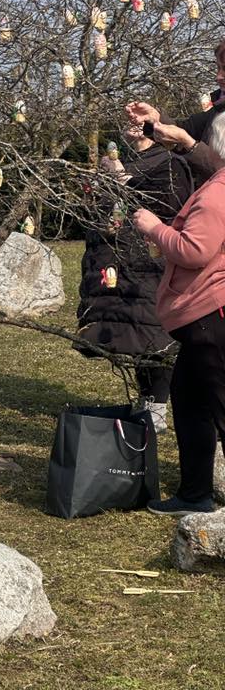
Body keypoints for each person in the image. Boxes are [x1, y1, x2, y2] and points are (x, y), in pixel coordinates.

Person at [133, 109, 225, 516]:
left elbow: (195, 250)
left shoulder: (217, 192)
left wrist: (155, 227)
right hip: (203, 318)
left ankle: (197, 495)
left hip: (211, 314)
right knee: (190, 402)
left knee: (218, 405)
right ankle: (194, 494)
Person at [77, 126, 192, 431]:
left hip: (149, 261)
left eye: (141, 121)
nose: (131, 124)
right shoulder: (125, 161)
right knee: (134, 335)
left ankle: (157, 406)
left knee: (154, 334)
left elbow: (170, 207)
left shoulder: (170, 162)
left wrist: (123, 181)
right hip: (117, 263)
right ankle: (146, 399)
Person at [125, 39, 225, 184]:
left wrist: (189, 144)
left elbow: (221, 169)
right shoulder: (217, 110)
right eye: (218, 68)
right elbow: (186, 128)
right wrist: (155, 118)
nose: (219, 76)